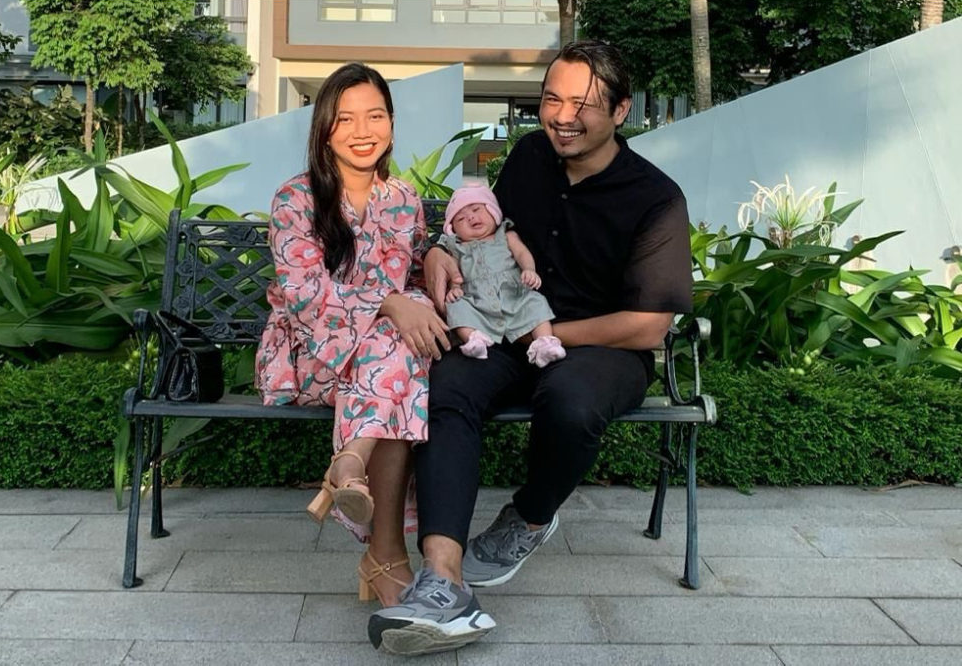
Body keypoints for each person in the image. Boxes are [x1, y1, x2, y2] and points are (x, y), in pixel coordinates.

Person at [368, 41, 693, 655]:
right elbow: (484, 230)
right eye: (552, 99)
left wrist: (546, 334)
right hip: (503, 331)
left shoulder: (655, 198)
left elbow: (649, 326)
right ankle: (443, 580)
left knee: (570, 401)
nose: (563, 116)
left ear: (621, 111)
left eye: (583, 104)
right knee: (446, 388)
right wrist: (440, 250)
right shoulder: (527, 158)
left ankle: (531, 516)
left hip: (601, 345)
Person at [255, 62, 452, 608]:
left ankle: (353, 473)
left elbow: (414, 278)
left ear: (391, 122)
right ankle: (385, 553)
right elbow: (303, 296)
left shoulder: (405, 200)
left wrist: (434, 254)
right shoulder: (296, 199)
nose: (363, 131)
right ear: (323, 128)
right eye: (345, 119)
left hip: (377, 369)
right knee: (399, 350)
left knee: (397, 348)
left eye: (375, 115)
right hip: (308, 356)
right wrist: (388, 302)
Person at [439, 183, 566, 366]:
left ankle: (544, 343)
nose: (471, 217)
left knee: (535, 302)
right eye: (460, 219)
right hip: (477, 301)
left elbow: (522, 253)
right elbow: (454, 271)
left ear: (493, 211)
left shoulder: (506, 235)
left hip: (513, 294)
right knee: (456, 306)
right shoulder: (457, 248)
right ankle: (474, 339)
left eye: (476, 209)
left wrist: (529, 269)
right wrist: (455, 288)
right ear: (454, 230)